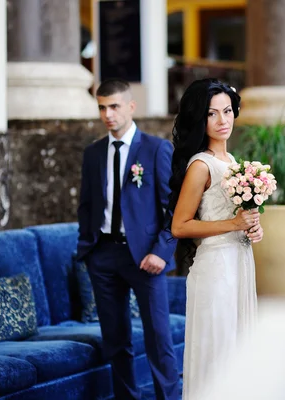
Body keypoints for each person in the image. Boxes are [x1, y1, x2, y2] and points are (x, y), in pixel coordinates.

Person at [76, 79, 179, 400]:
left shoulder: (156, 149)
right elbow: (87, 205)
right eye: (102, 107)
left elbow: (175, 206)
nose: (108, 114)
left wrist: (161, 251)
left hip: (146, 258)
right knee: (116, 340)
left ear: (131, 107)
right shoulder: (93, 153)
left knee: (159, 338)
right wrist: (88, 249)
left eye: (114, 106)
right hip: (103, 256)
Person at [167, 78, 264, 399]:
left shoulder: (233, 163)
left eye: (227, 111)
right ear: (200, 118)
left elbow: (235, 219)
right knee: (218, 350)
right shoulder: (201, 164)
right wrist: (234, 222)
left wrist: (252, 227)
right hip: (215, 268)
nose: (223, 121)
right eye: (212, 114)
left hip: (239, 262)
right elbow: (180, 226)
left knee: (239, 348)